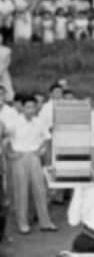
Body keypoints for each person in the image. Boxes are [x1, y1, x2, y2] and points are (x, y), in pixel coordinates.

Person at [3, 95, 57, 234]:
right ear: (22, 108)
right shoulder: (14, 122)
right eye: (27, 107)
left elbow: (47, 138)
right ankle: (23, 223)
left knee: (40, 190)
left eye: (33, 107)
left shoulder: (39, 122)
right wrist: (10, 154)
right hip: (19, 157)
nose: (30, 110)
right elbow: (5, 140)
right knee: (21, 191)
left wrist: (41, 150)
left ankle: (45, 222)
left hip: (33, 156)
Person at [0, 34, 14, 102]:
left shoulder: (7, 50)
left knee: (6, 85)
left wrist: (1, 70)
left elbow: (7, 62)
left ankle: (8, 99)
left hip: (4, 71)